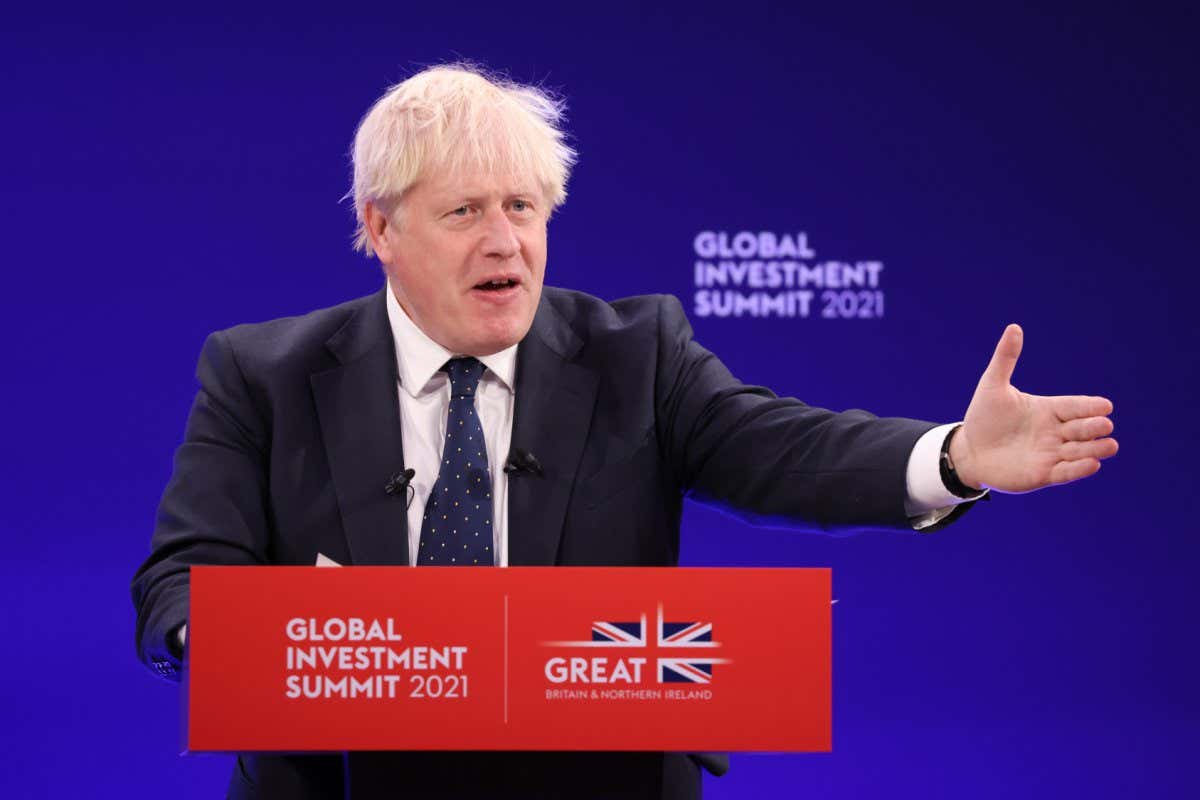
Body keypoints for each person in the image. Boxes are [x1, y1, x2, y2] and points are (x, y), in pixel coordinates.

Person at [131, 63, 1118, 800]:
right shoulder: (262, 373)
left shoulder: (636, 355)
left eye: (524, 205)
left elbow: (780, 447)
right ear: (380, 226)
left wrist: (949, 457)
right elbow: (179, 579)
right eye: (465, 209)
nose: (505, 240)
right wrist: (267, 636)